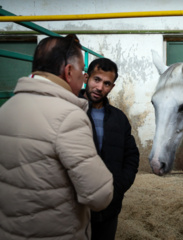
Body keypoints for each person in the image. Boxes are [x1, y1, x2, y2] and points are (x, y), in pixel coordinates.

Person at [0, 34, 114, 240]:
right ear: (69, 72)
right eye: (82, 72)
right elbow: (100, 196)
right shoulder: (68, 117)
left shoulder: (5, 109)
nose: (84, 79)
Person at [80, 58, 140, 240]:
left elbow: (131, 155)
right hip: (76, 207)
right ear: (86, 78)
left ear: (112, 87)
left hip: (109, 207)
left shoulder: (119, 118)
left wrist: (119, 186)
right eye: (96, 80)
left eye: (106, 83)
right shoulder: (71, 111)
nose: (99, 87)